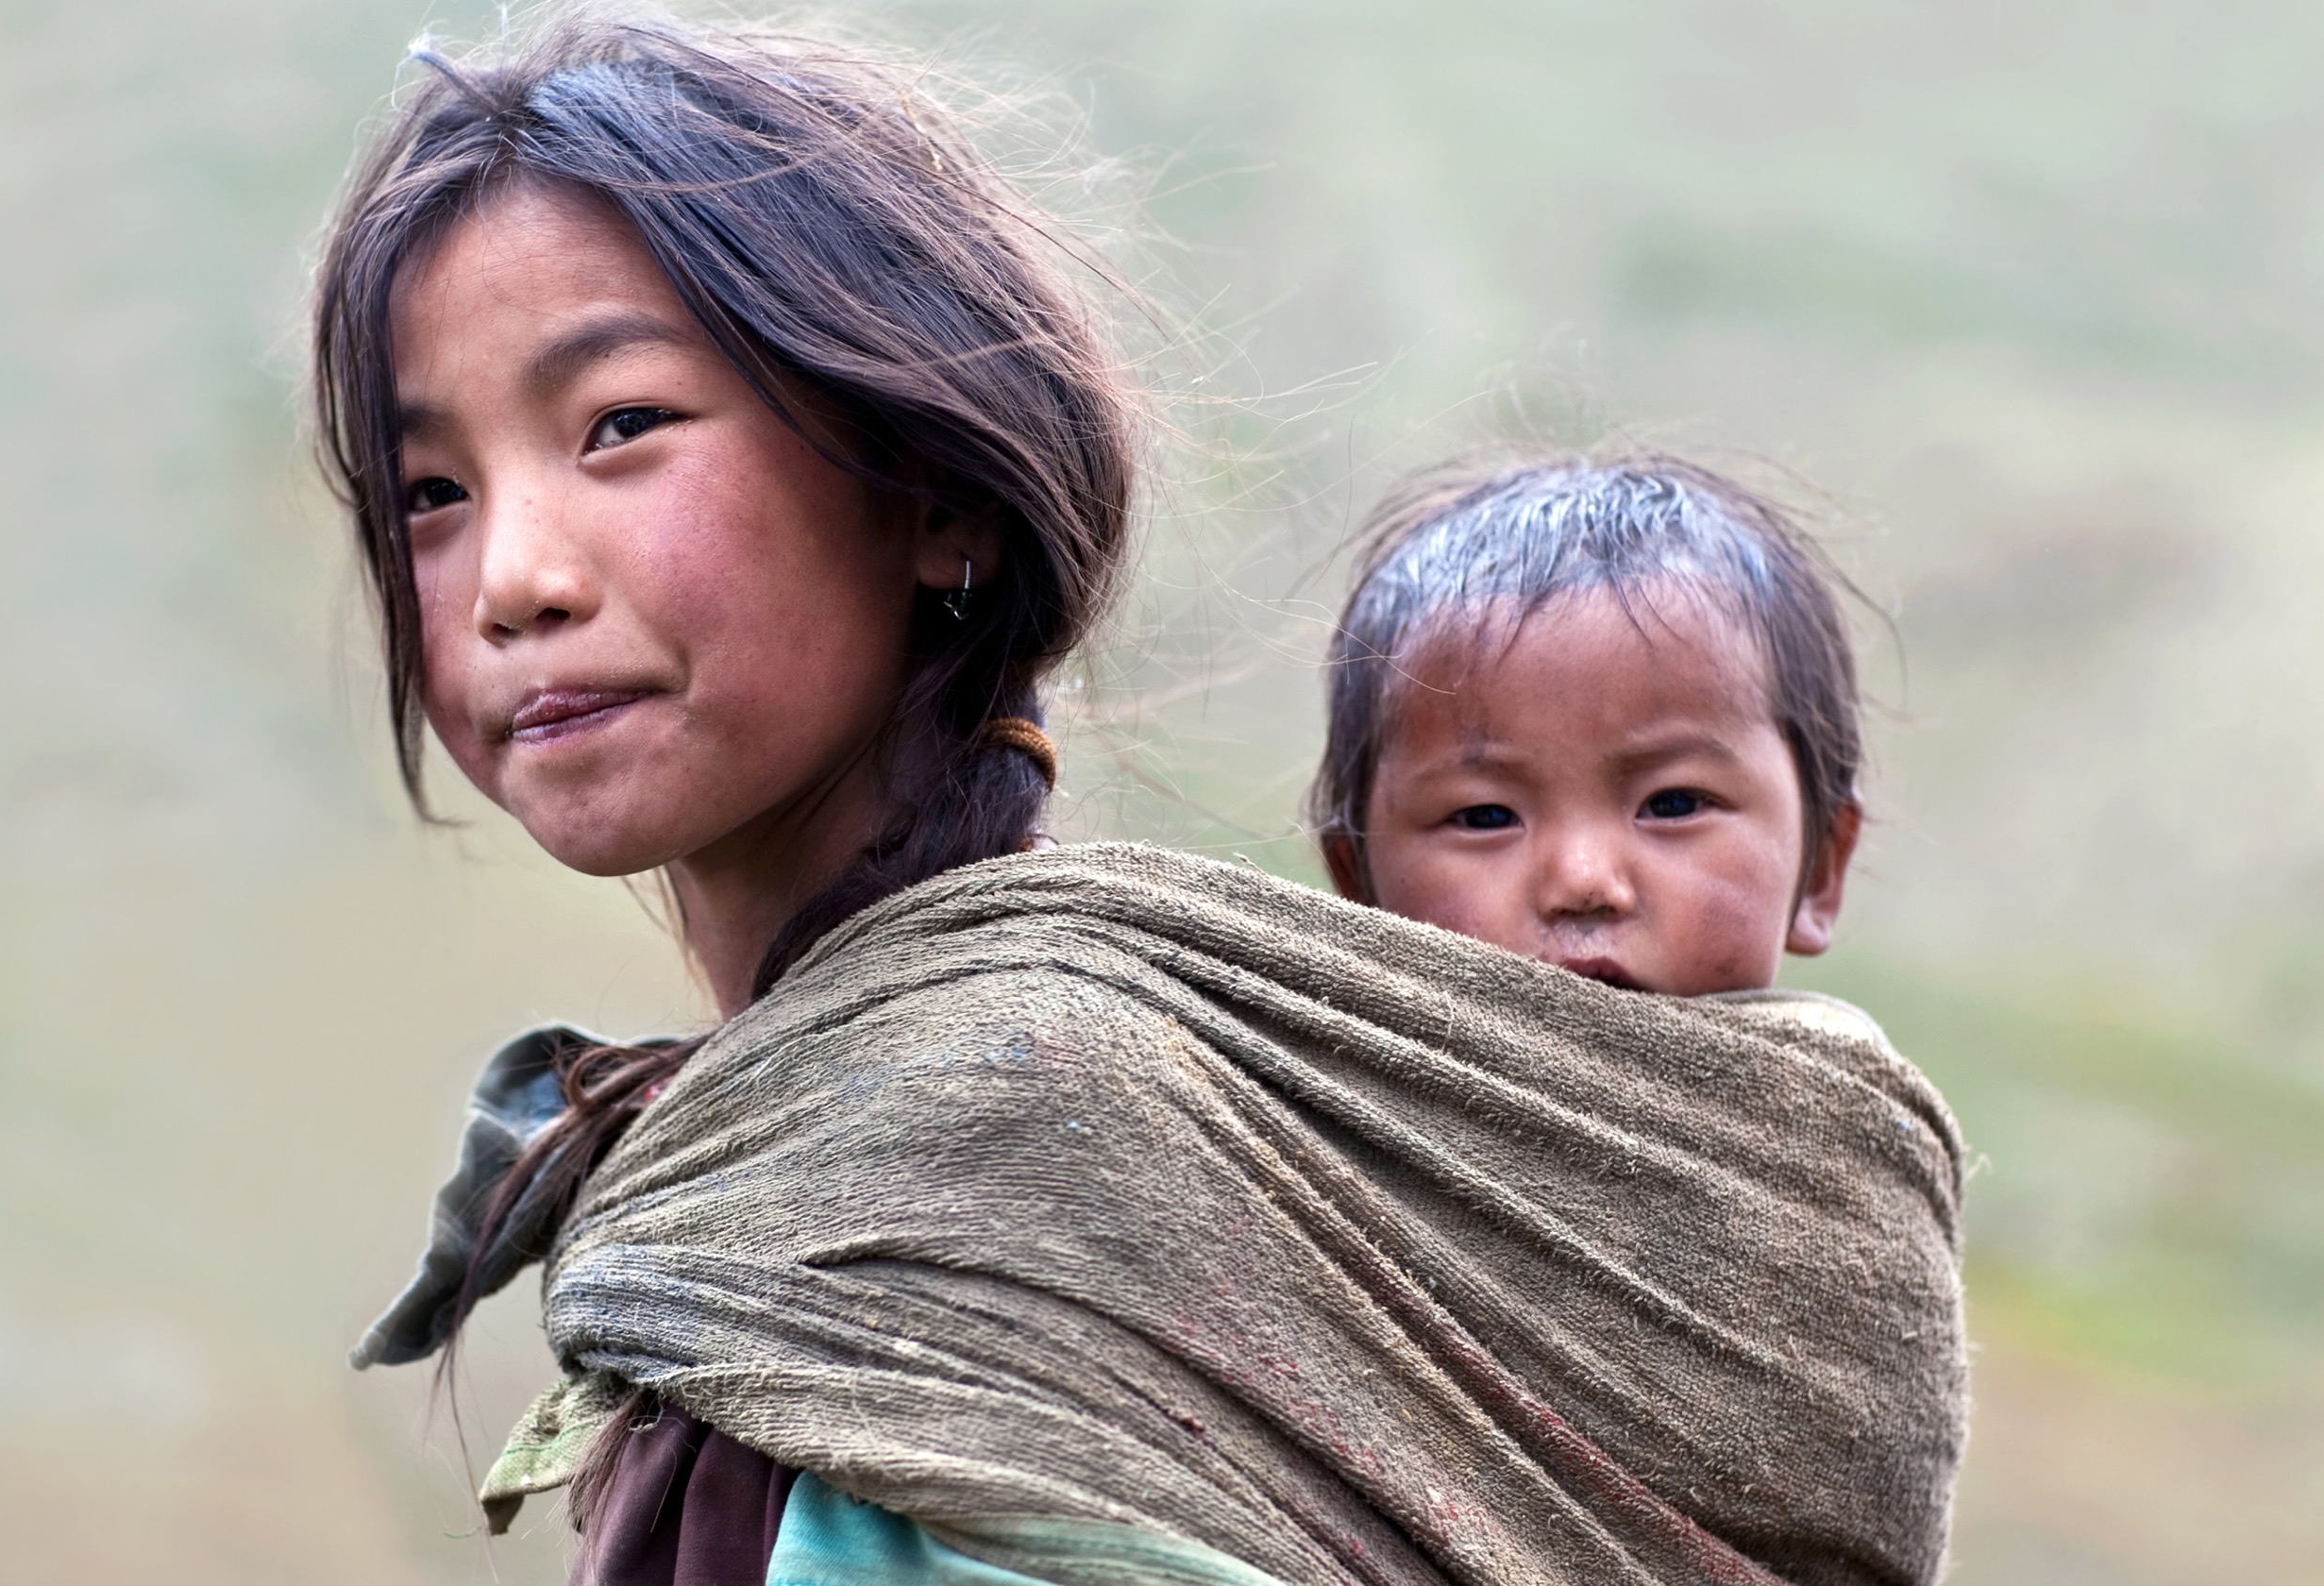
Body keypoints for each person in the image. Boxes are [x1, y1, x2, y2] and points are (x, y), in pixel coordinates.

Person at [321, 14, 1968, 1586]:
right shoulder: (776, 1168)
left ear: (936, 495)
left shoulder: (1015, 1132)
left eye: (622, 426)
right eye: (433, 493)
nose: (512, 579)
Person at [1305, 456, 1864, 998]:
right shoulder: (1289, 1088)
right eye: (1485, 817)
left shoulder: (1856, 1093)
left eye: (1674, 804)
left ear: (1819, 871)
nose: (1584, 883)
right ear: (1358, 892)